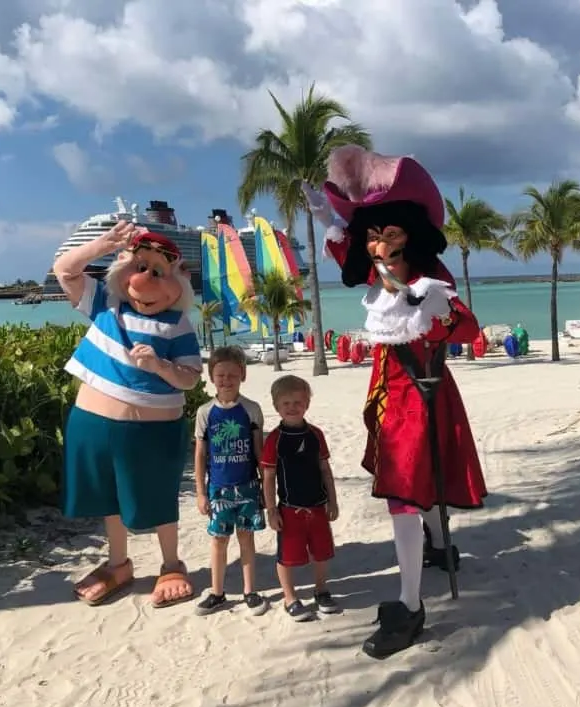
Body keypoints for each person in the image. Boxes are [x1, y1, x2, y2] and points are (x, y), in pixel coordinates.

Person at [304, 144, 488, 658]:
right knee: (411, 486)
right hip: (389, 394)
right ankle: (440, 547)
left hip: (422, 395)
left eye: (390, 235)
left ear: (411, 235)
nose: (379, 244)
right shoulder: (376, 277)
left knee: (404, 495)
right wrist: (329, 220)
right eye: (374, 235)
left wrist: (429, 306)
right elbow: (347, 253)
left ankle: (410, 605)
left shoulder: (433, 282)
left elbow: (466, 329)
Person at [54, 221, 203, 608]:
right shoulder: (105, 303)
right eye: (139, 268)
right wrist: (101, 245)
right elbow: (65, 270)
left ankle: (171, 564)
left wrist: (160, 367)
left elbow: (189, 378)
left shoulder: (178, 325)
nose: (145, 281)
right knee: (107, 495)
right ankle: (117, 563)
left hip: (151, 431)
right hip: (92, 423)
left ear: (179, 283)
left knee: (157, 495)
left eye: (158, 273)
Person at [193, 346, 268, 616]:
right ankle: (217, 592)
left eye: (232, 375)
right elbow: (200, 454)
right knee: (219, 541)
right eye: (220, 375)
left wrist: (266, 489)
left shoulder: (251, 409)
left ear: (243, 376)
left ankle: (250, 591)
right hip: (218, 488)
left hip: (248, 486)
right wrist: (201, 493)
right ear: (211, 376)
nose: (226, 380)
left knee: (246, 539)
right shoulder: (205, 412)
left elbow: (260, 451)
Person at [261, 375, 340, 621]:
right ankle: (289, 597)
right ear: (277, 407)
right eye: (286, 403)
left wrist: (333, 501)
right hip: (289, 509)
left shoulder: (316, 434)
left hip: (317, 506)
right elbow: (268, 476)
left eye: (298, 402)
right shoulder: (275, 438)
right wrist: (271, 510)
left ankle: (321, 589)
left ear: (307, 404)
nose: (292, 407)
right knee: (286, 556)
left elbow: (325, 470)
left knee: (322, 552)